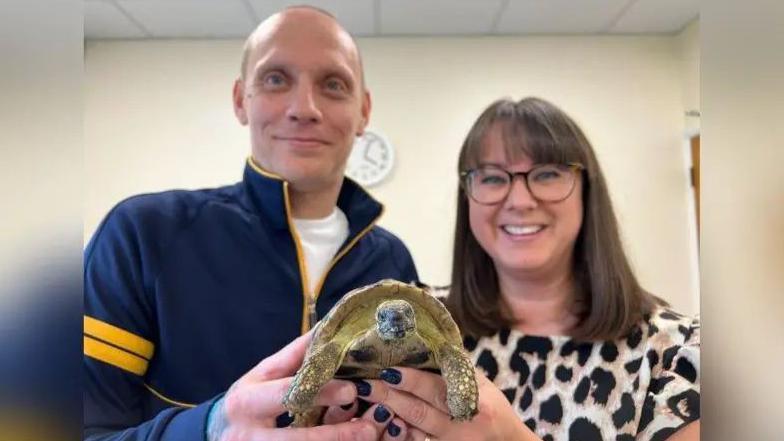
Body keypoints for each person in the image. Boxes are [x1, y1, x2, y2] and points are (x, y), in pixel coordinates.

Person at [83, 6, 417, 440]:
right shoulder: (141, 237)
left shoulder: (394, 264)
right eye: (276, 79)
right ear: (241, 99)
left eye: (333, 85)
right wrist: (209, 428)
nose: (304, 108)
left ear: (363, 112)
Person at [357, 97, 700, 440]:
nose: (520, 201)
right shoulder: (413, 326)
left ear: (587, 191)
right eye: (492, 178)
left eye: (548, 173)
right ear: (468, 197)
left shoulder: (677, 353)